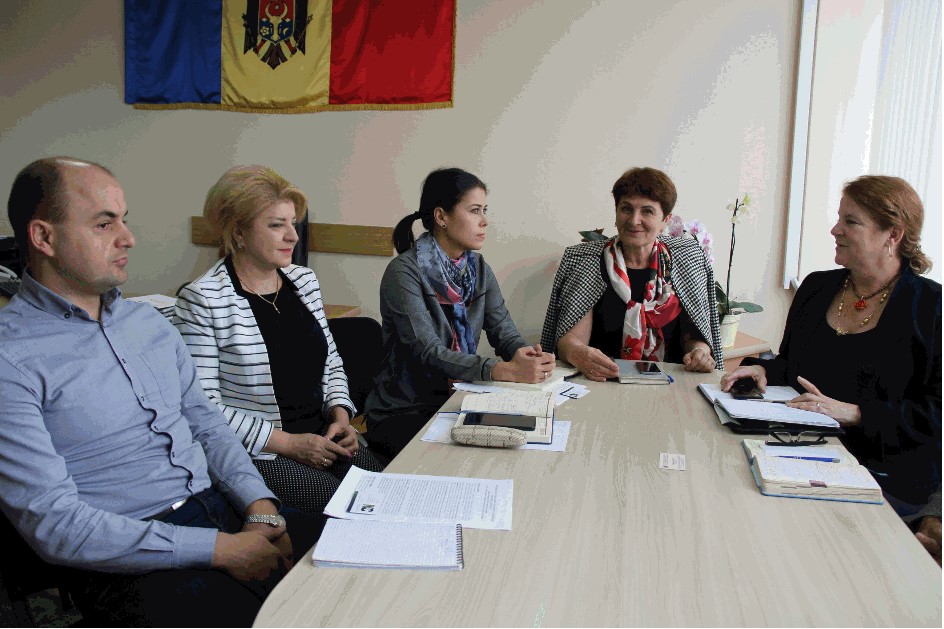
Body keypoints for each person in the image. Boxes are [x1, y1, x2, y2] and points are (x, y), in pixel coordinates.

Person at [0, 157, 323, 627]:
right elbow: (54, 524)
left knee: (369, 561)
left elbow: (207, 424)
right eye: (104, 223)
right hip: (133, 556)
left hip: (224, 508)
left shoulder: (146, 322)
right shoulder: (13, 355)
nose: (128, 237)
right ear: (44, 237)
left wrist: (260, 508)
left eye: (124, 220)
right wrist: (219, 550)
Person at [721, 175, 941, 517]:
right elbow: (792, 366)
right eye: (839, 218)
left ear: (893, 235)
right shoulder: (815, 287)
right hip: (796, 453)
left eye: (850, 221)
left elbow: (935, 414)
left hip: (883, 476)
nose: (835, 230)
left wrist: (855, 413)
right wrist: (762, 369)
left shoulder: (932, 308)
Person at [173, 166, 383, 517]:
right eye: (276, 225)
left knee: (381, 489)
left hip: (323, 436)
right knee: (346, 509)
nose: (293, 237)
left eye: (293, 224)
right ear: (238, 232)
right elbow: (202, 406)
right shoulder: (203, 298)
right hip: (258, 451)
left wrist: (341, 415)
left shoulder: (304, 280)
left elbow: (331, 362)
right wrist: (288, 443)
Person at [363, 167, 555, 460]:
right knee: (474, 461)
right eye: (475, 210)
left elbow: (503, 330)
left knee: (522, 450)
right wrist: (500, 370)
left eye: (485, 210)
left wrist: (525, 356)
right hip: (404, 412)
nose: (485, 221)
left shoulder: (477, 268)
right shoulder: (403, 273)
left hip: (459, 399)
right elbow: (427, 352)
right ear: (441, 217)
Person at [541, 167, 723, 381]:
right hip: (602, 382)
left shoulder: (686, 259)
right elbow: (569, 341)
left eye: (647, 211)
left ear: (666, 219)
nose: (634, 220)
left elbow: (694, 338)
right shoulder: (585, 261)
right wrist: (578, 354)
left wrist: (700, 353)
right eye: (626, 208)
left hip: (672, 386)